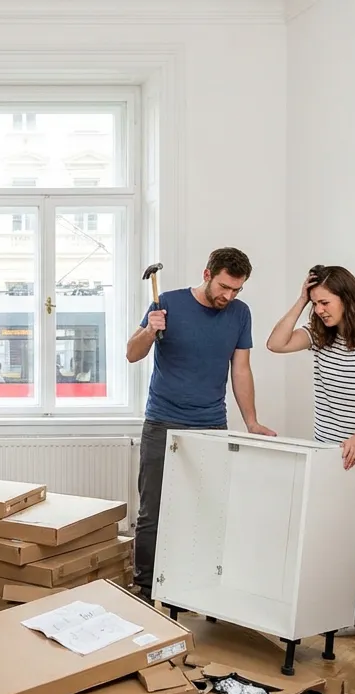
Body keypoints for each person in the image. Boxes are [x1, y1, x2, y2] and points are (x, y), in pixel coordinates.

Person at [265, 265, 355, 663]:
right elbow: (275, 344)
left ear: (347, 296)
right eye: (316, 303)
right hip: (335, 454)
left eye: (325, 302)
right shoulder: (319, 334)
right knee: (346, 537)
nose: (320, 310)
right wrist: (301, 299)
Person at [126, 247, 275, 603]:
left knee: (207, 512)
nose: (229, 296)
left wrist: (251, 421)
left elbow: (241, 369)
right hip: (162, 422)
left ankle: (196, 589)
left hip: (210, 426)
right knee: (153, 512)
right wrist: (150, 330)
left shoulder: (240, 314)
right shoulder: (167, 303)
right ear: (207, 275)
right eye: (224, 287)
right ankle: (145, 590)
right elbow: (132, 353)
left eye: (236, 289)